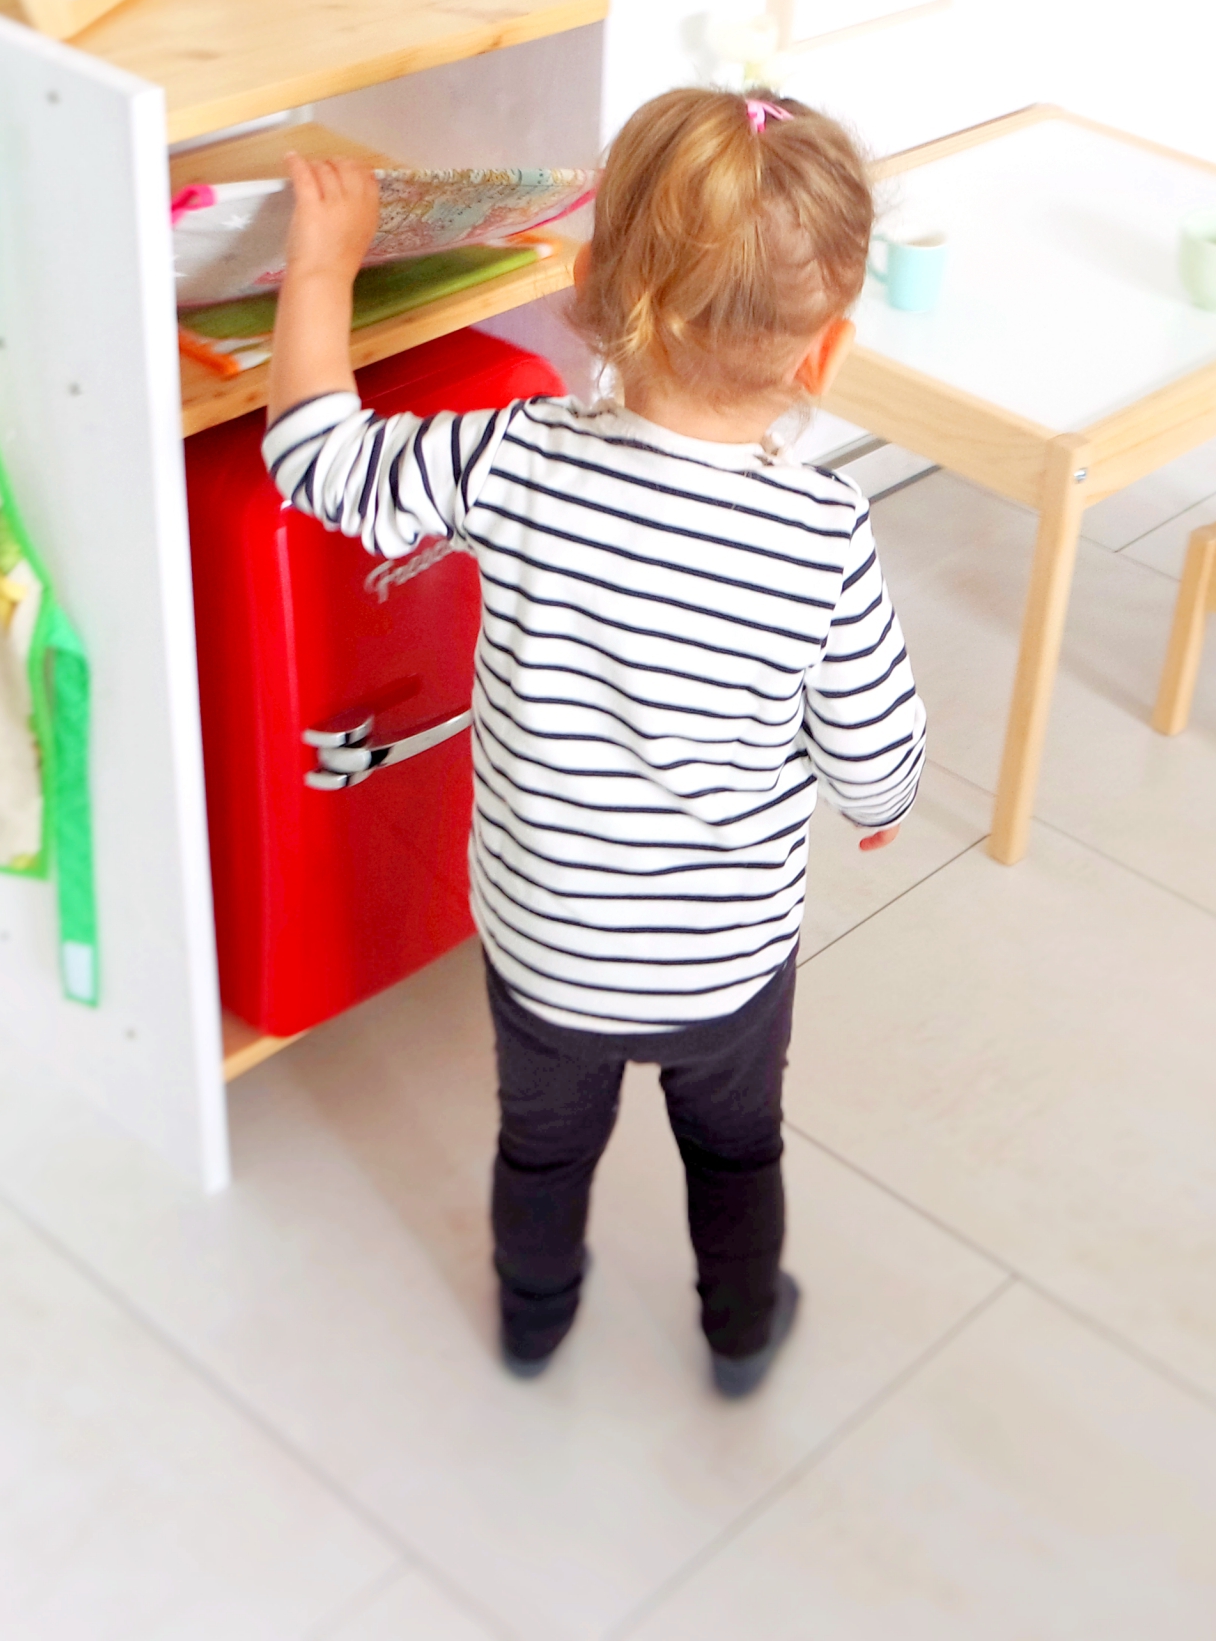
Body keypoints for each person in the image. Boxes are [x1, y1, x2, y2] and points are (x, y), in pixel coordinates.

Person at [263, 88, 927, 1397]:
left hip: (547, 940)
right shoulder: (822, 536)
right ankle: (741, 1329)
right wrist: (880, 797)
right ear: (828, 350)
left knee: (542, 1150)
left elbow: (316, 460)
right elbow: (873, 744)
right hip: (723, 957)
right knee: (737, 1151)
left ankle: (535, 1313)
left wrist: (324, 269)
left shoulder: (512, 459)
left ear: (587, 282)